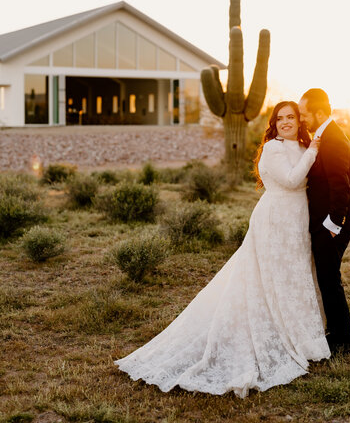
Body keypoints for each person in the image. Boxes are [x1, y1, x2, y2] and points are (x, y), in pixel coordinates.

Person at [114, 101, 330, 397]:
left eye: (291, 117)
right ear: (274, 124)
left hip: (297, 221)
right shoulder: (274, 148)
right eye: (280, 119)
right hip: (276, 220)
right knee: (272, 278)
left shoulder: (300, 144)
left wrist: (311, 148)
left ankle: (302, 336)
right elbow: (292, 180)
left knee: (294, 276)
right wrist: (315, 150)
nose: (286, 123)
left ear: (298, 120)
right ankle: (276, 333)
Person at [298, 89, 350, 356]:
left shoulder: (333, 139)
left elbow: (341, 186)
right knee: (327, 276)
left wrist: (333, 225)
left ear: (320, 113)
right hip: (330, 219)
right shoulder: (325, 134)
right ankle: (337, 333)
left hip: (334, 221)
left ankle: (341, 340)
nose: (302, 120)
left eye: (304, 115)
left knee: (329, 277)